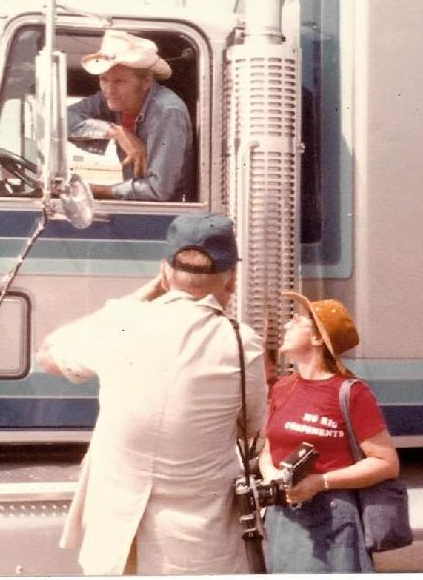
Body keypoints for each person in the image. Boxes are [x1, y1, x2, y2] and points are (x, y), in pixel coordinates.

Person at [36, 212, 267, 575]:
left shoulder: (123, 322)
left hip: (117, 540)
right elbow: (251, 428)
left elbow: (48, 356)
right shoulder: (242, 344)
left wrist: (140, 296)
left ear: (165, 270)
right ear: (232, 278)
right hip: (199, 550)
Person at [258, 292, 400, 573]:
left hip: (331, 521)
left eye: (297, 321)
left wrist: (319, 482)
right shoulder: (282, 388)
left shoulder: (352, 392)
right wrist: (273, 476)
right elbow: (267, 452)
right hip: (283, 519)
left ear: (318, 339)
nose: (285, 326)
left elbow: (386, 463)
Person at [68, 29, 195, 202]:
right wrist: (115, 132)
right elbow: (62, 120)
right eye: (104, 79)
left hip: (170, 220)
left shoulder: (167, 112)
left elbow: (158, 191)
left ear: (146, 81)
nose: (109, 90)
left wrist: (96, 190)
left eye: (119, 81)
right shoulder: (111, 99)